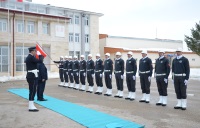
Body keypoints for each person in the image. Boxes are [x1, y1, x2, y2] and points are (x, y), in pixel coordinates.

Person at [25, 46, 41, 112]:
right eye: (35, 51)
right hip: (32, 76)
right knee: (32, 90)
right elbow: (40, 61)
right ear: (32, 51)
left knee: (32, 90)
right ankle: (31, 106)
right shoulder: (31, 57)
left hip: (31, 75)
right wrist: (40, 56)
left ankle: (31, 105)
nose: (36, 52)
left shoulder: (29, 57)